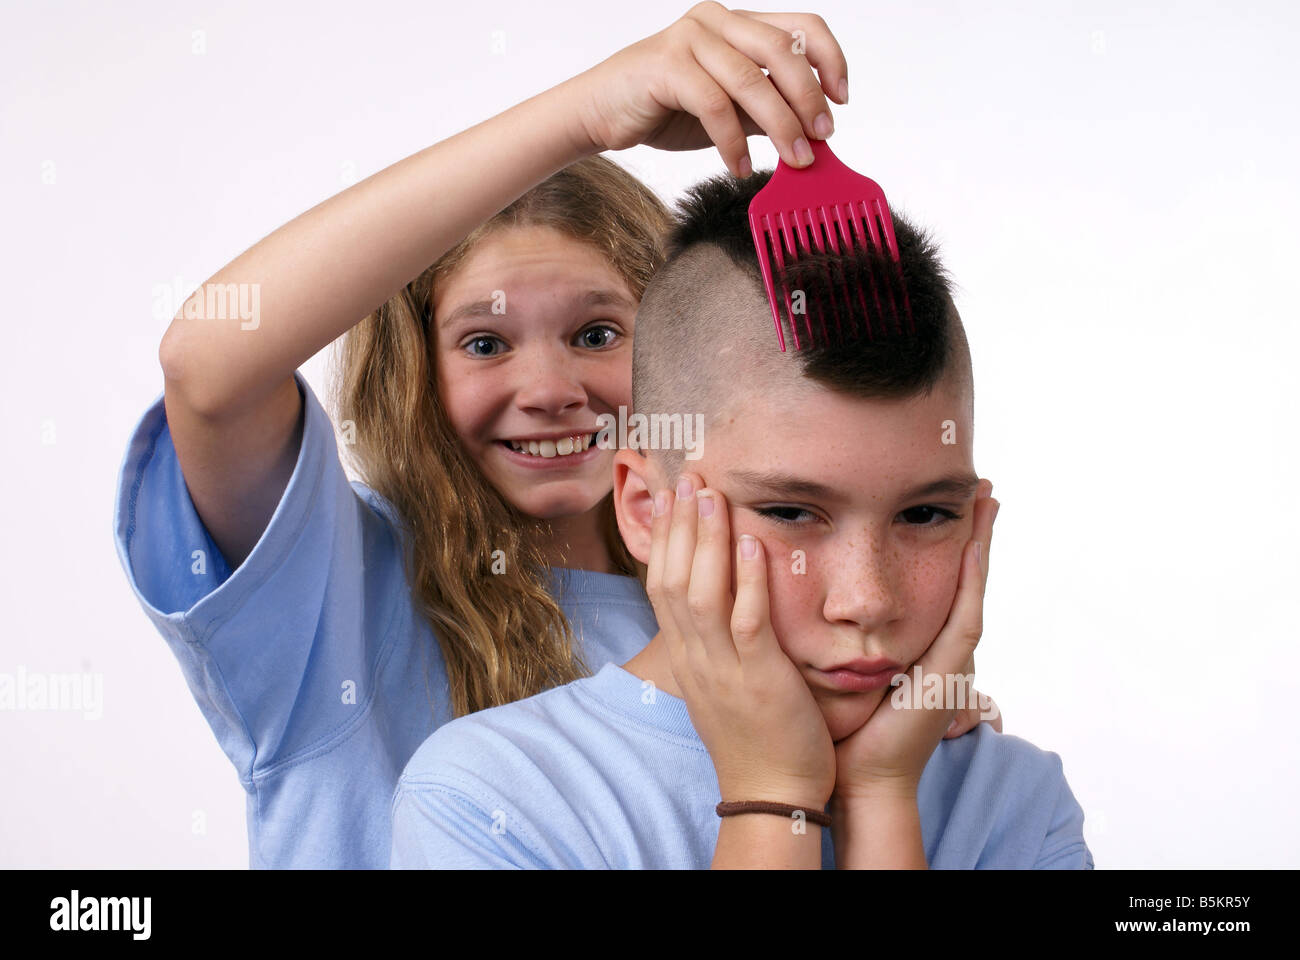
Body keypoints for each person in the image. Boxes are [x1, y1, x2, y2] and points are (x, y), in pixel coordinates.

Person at [110, 5, 919, 869]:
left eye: (597, 334)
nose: (548, 391)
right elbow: (206, 370)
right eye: (486, 344)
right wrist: (585, 115)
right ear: (416, 370)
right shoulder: (340, 597)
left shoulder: (749, 602)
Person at [389, 169, 1090, 869]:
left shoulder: (1015, 802)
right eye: (790, 511)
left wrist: (880, 797)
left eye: (927, 513)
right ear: (644, 509)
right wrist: (772, 796)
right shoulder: (485, 803)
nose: (867, 599)